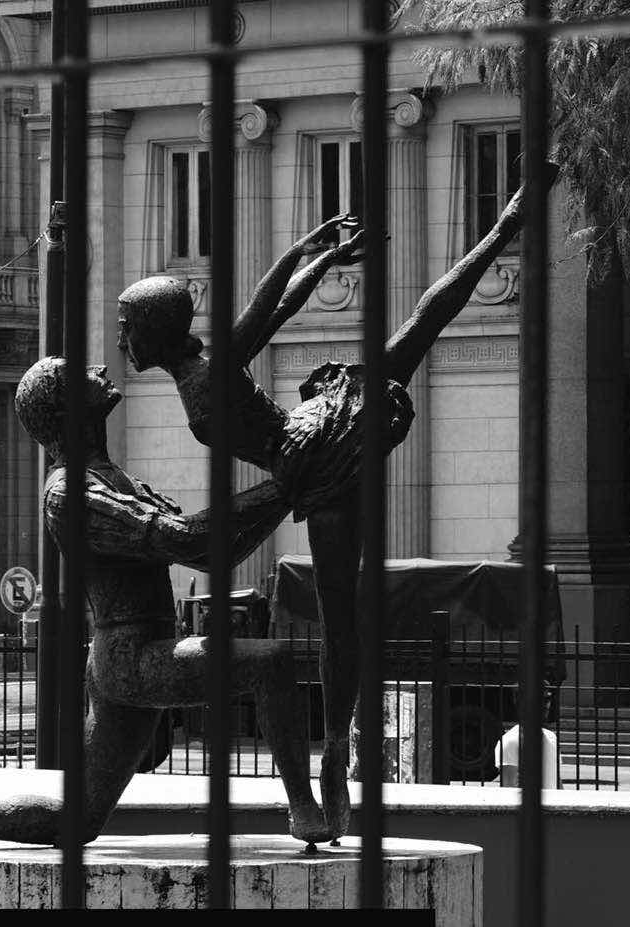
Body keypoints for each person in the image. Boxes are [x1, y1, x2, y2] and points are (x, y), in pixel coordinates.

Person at [117, 161, 562, 837]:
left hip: (311, 453)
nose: (122, 337)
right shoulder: (204, 372)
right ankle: (508, 222)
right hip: (311, 446)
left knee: (338, 615)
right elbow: (279, 307)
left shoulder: (206, 376)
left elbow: (268, 305)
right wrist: (318, 257)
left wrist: (309, 251)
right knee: (418, 330)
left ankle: (335, 750)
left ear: (153, 330)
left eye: (127, 324)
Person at [0, 359, 331, 856]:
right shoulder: (70, 493)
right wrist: (287, 487)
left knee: (77, 819)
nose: (98, 366)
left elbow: (212, 552)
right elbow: (186, 539)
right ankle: (305, 809)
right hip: (132, 657)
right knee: (270, 661)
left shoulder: (112, 478)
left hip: (132, 653)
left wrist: (289, 492)